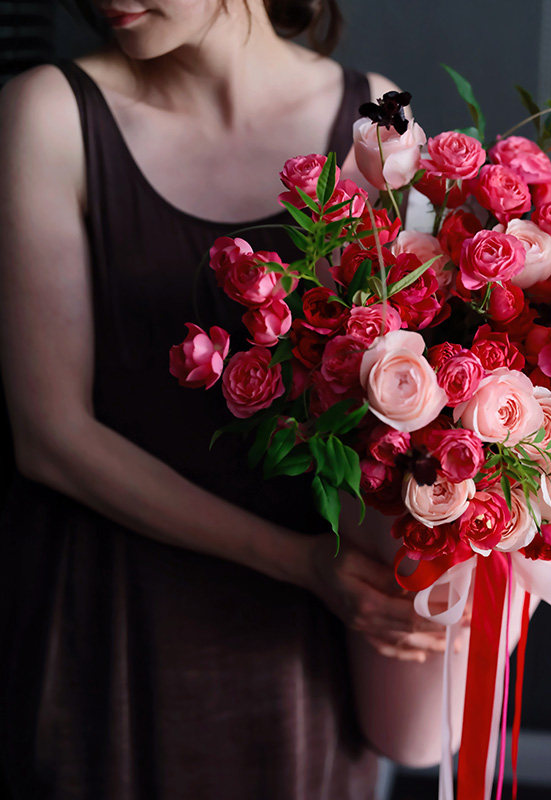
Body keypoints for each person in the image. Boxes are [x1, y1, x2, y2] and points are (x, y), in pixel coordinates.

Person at [0, 0, 445, 796]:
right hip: (114, 620)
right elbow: (51, 438)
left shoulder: (375, 115)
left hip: (307, 647)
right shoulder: (50, 113)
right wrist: (301, 564)